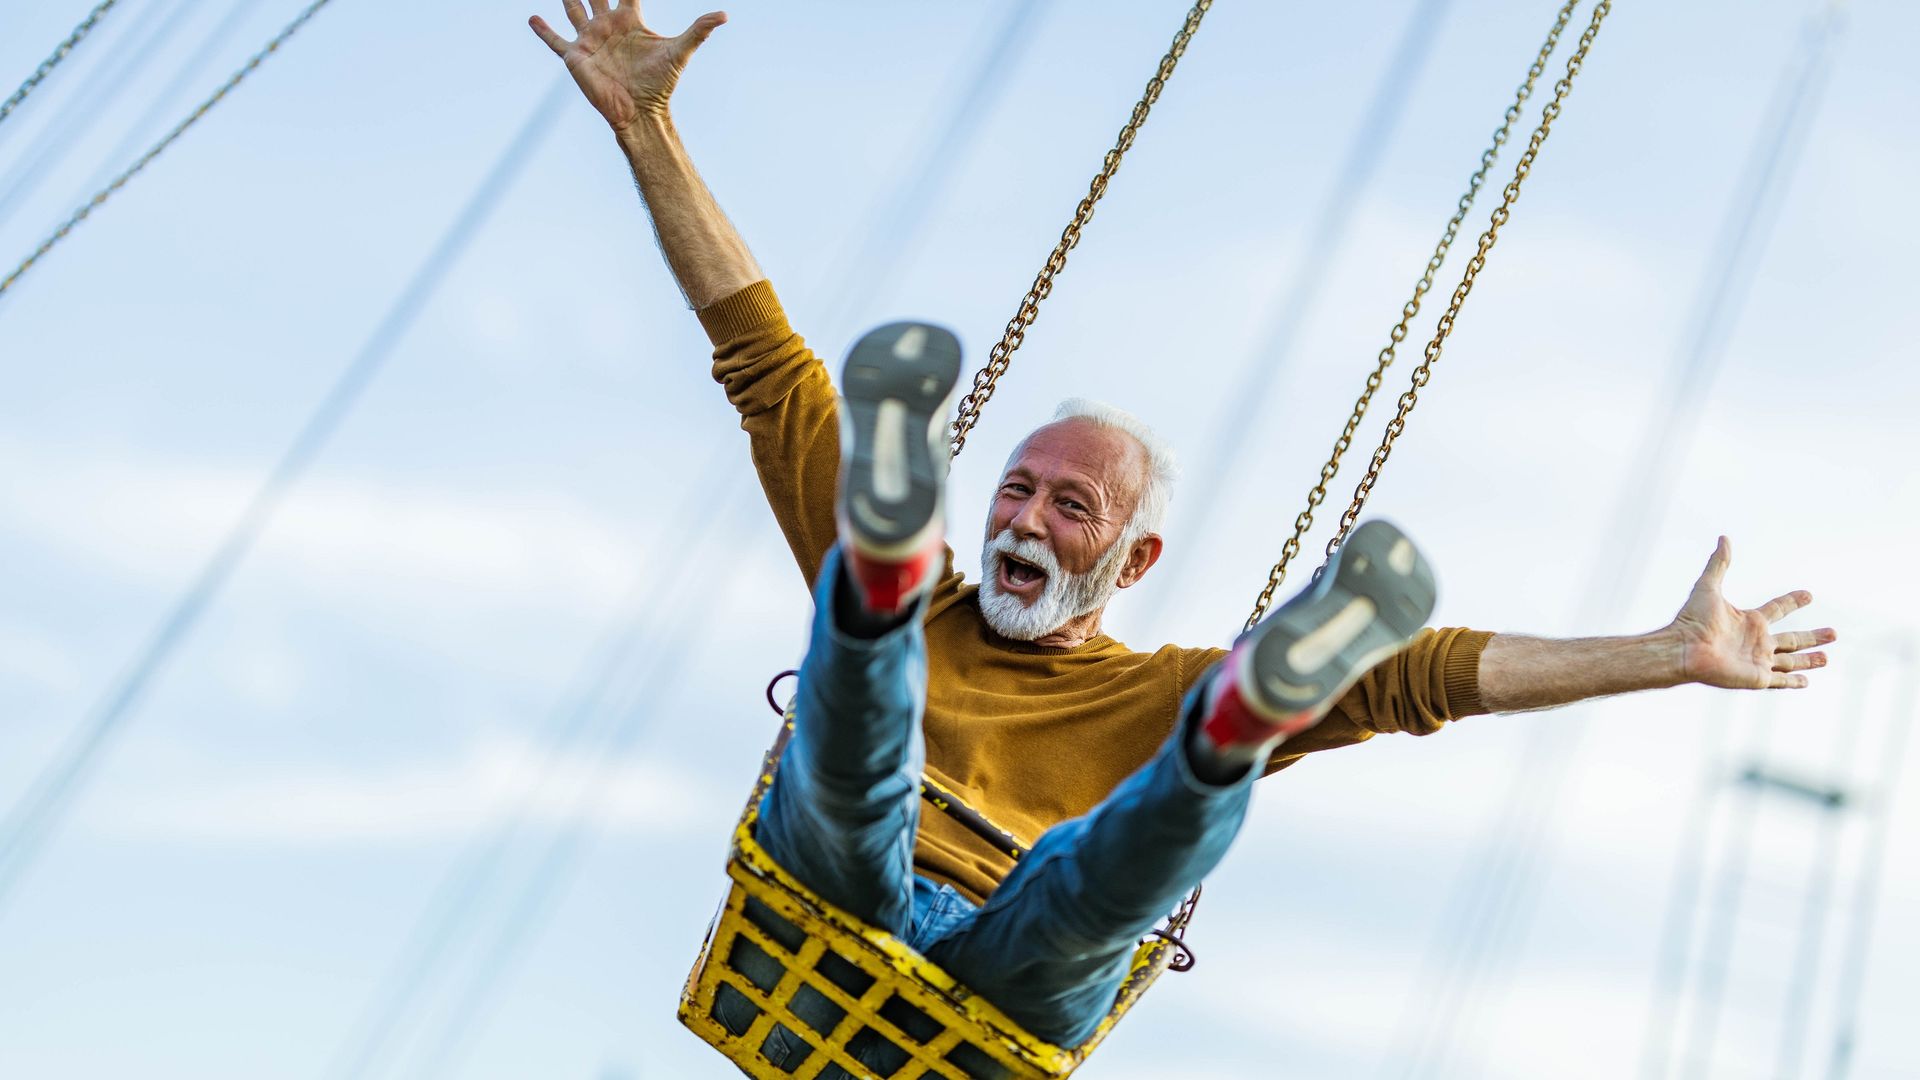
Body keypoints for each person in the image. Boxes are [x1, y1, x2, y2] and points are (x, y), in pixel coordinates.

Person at [529, 1, 1838, 1067]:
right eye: (1017, 489)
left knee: (1095, 895)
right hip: (842, 893)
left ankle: (1232, 736)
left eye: (1069, 505)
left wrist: (1662, 653)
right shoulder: (951, 603)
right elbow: (760, 354)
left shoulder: (1150, 689)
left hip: (1006, 967)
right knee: (857, 768)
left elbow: (1421, 678)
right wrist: (648, 131)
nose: (1026, 518)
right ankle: (878, 579)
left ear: (1134, 560)